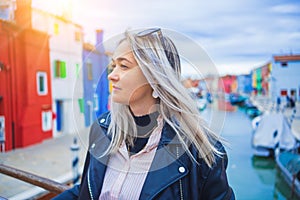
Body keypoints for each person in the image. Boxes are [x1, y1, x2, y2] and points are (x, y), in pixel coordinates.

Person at [53, 28, 235, 200]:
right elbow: (88, 189)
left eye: (124, 66)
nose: (111, 75)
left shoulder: (202, 153)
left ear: (154, 76)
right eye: (113, 66)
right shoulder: (102, 128)